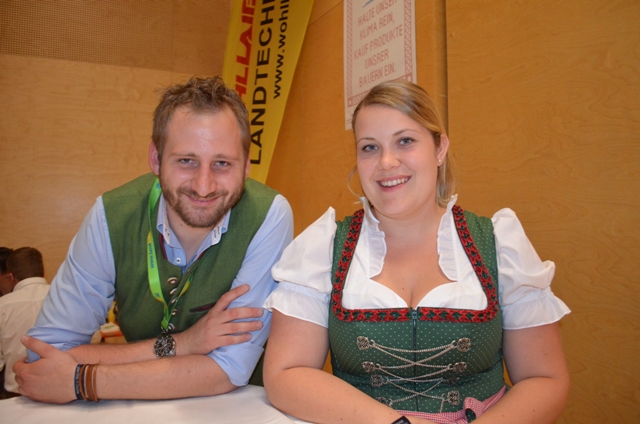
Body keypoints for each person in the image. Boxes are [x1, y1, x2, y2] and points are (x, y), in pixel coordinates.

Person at [263, 80, 570, 424]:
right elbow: (286, 374)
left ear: (440, 149)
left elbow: (544, 378)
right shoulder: (324, 248)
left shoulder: (497, 244)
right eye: (369, 147)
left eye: (405, 141)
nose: (386, 162)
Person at [14, 76, 294, 403]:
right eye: (186, 161)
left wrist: (84, 380)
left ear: (246, 165)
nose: (204, 186)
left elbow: (229, 369)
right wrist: (183, 344)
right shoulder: (109, 216)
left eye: (222, 163)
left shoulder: (268, 215)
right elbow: (45, 357)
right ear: (156, 159)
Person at [0, 247, 50, 397]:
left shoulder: (2, 306)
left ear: (11, 277)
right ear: (43, 271)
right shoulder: (66, 296)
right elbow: (93, 338)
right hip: (63, 391)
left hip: (17, 394)